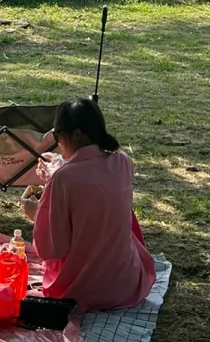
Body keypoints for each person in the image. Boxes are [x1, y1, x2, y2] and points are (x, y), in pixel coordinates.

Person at [21, 97, 155, 311]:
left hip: (81, 289)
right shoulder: (123, 162)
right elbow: (95, 198)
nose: (57, 142)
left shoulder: (64, 179)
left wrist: (36, 214)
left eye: (58, 135)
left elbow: (53, 248)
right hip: (125, 284)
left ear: (76, 135)